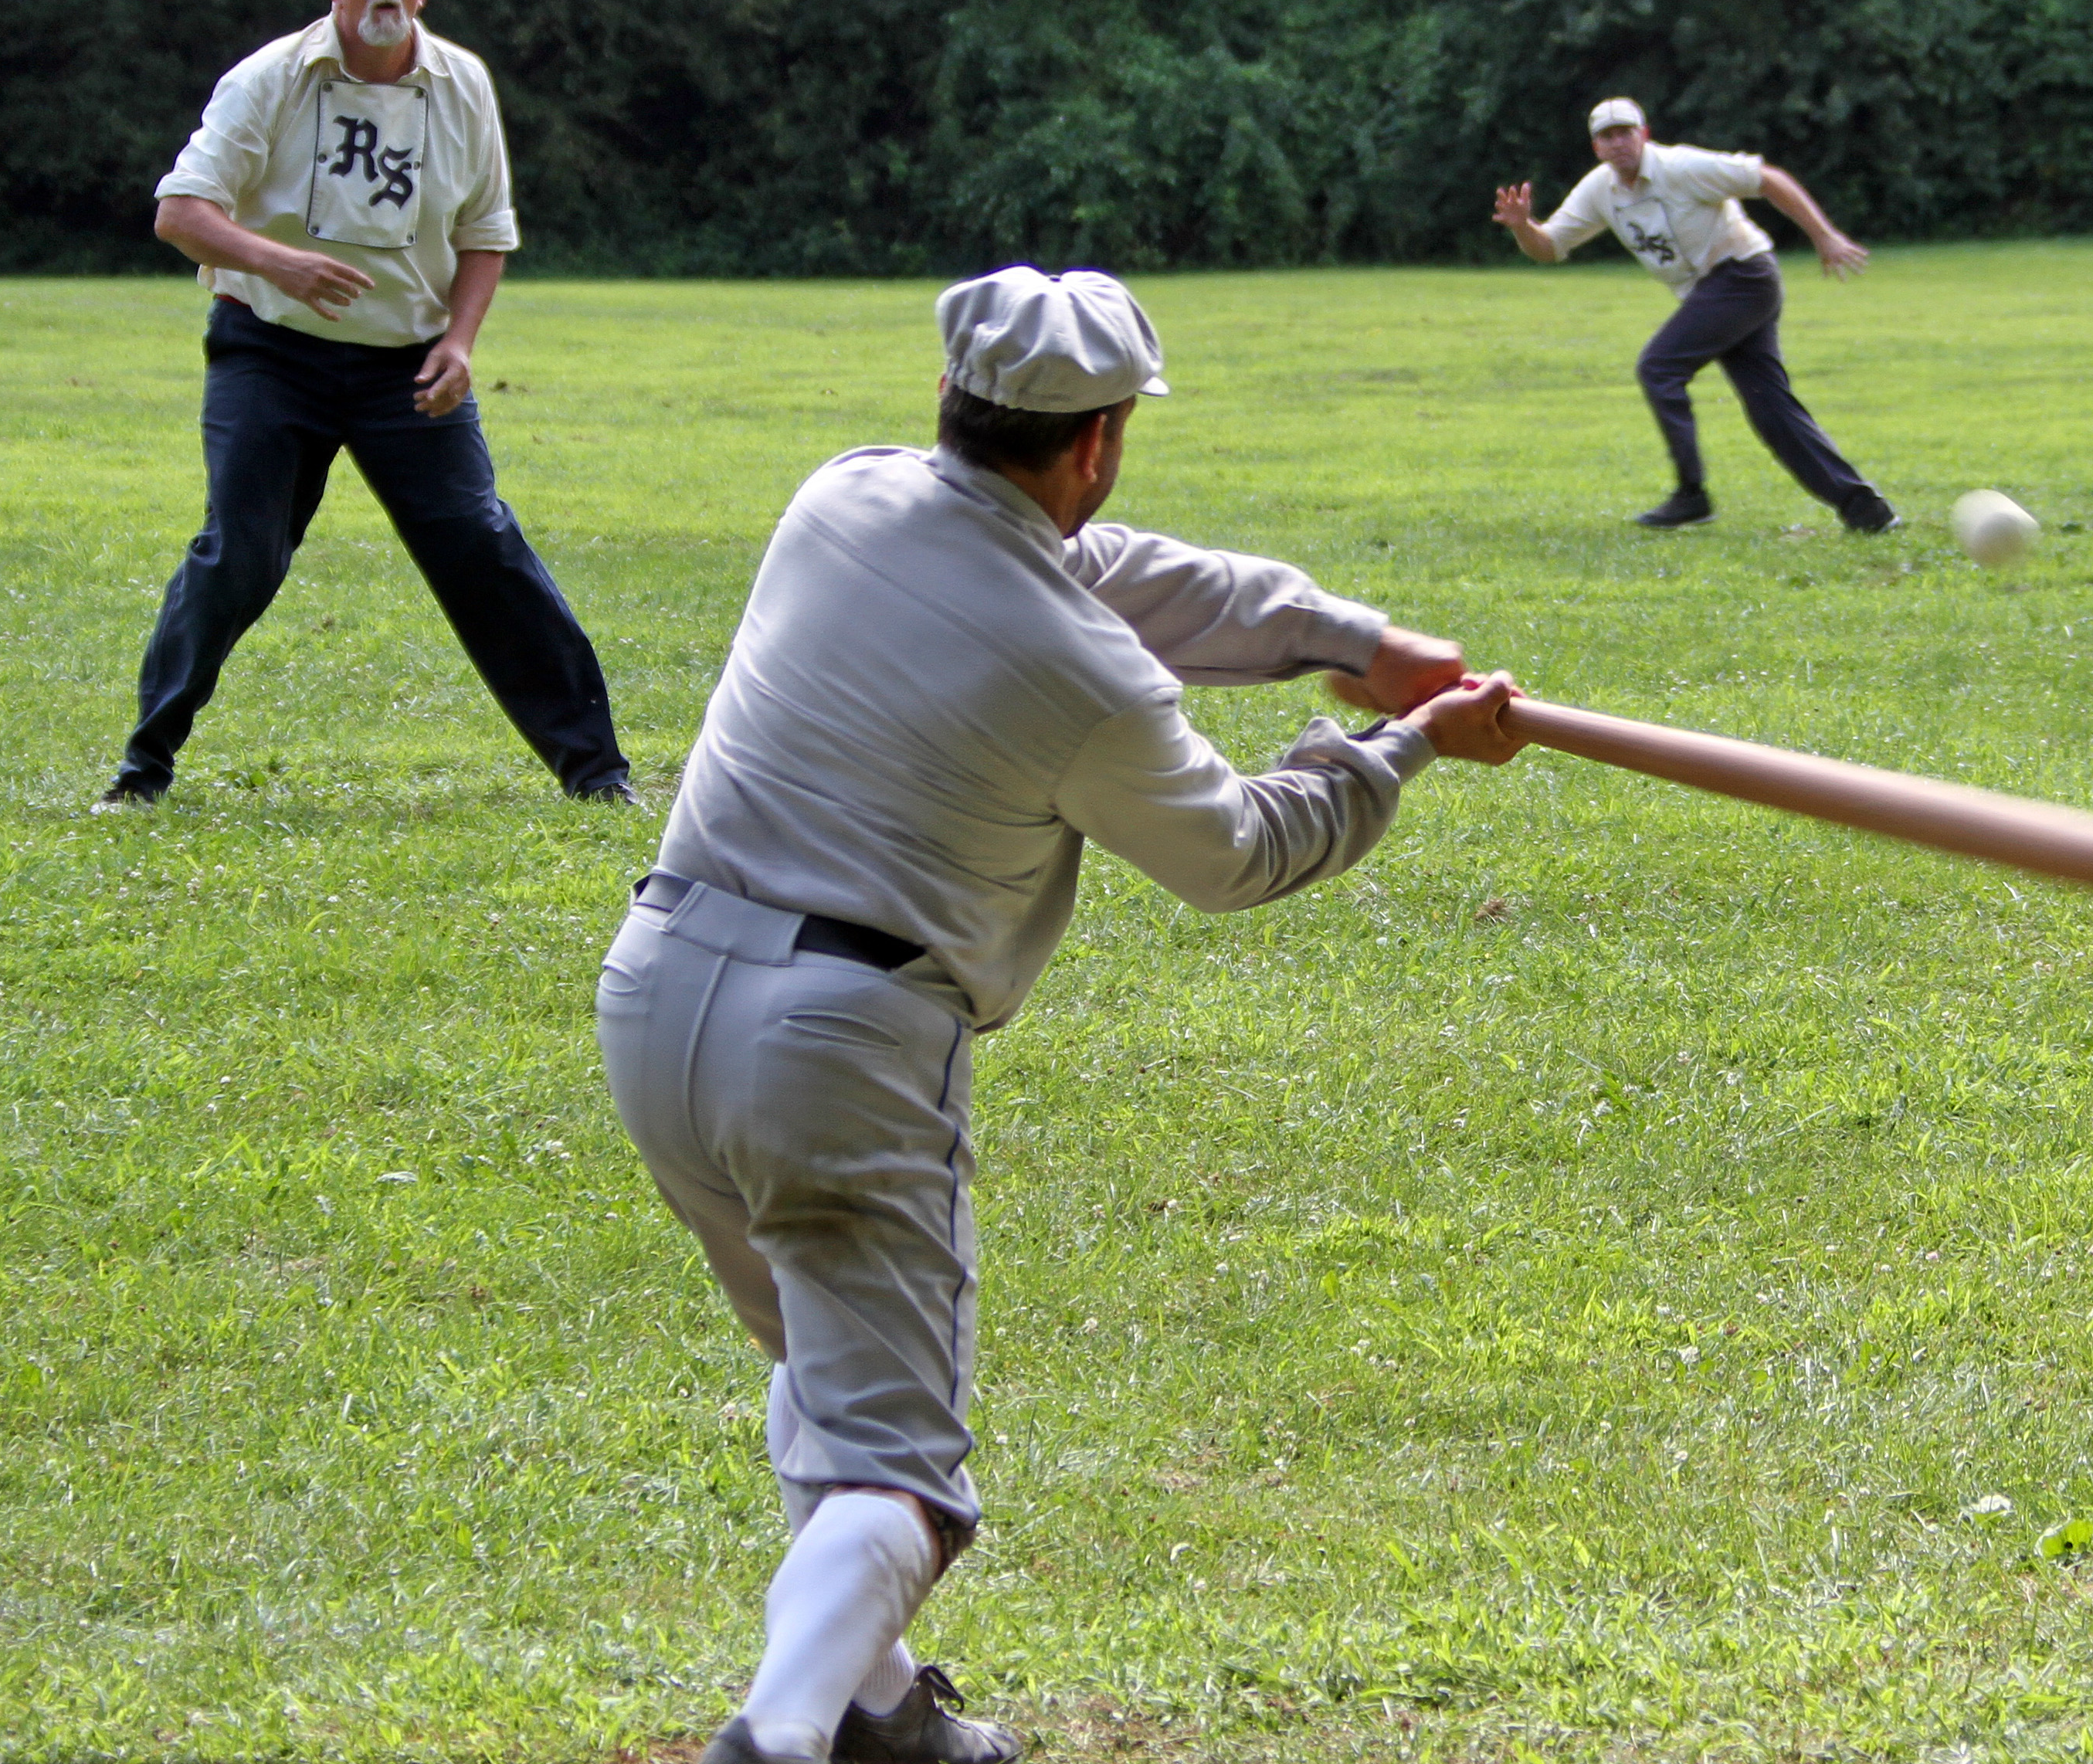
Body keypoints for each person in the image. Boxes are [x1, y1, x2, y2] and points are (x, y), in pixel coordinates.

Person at [597, 267, 1526, 1764]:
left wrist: (1347, 635)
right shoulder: (1083, 675)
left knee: (828, 1374)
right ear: (1098, 441)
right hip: (835, 1044)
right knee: (899, 1476)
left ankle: (879, 1714)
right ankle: (775, 1737)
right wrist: (1398, 744)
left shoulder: (843, 496)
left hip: (657, 993)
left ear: (949, 395)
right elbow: (1238, 850)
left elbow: (1103, 568)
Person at [104, 0, 633, 806]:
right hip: (272, 352)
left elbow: (485, 233)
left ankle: (598, 776)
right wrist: (281, 264)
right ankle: (141, 771)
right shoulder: (269, 79)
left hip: (407, 367)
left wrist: (460, 344)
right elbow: (180, 213)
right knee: (241, 556)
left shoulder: (463, 83)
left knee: (483, 548)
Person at [1491, 97, 1898, 533]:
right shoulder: (1599, 190)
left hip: (1744, 276)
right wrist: (1523, 227)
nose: (1618, 143)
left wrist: (1824, 236)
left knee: (1659, 367)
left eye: (1626, 132)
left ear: (1644, 134)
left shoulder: (1681, 166)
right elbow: (1550, 247)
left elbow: (1768, 179)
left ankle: (1691, 496)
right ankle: (1866, 509)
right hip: (1715, 292)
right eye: (1607, 136)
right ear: (1596, 148)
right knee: (1770, 407)